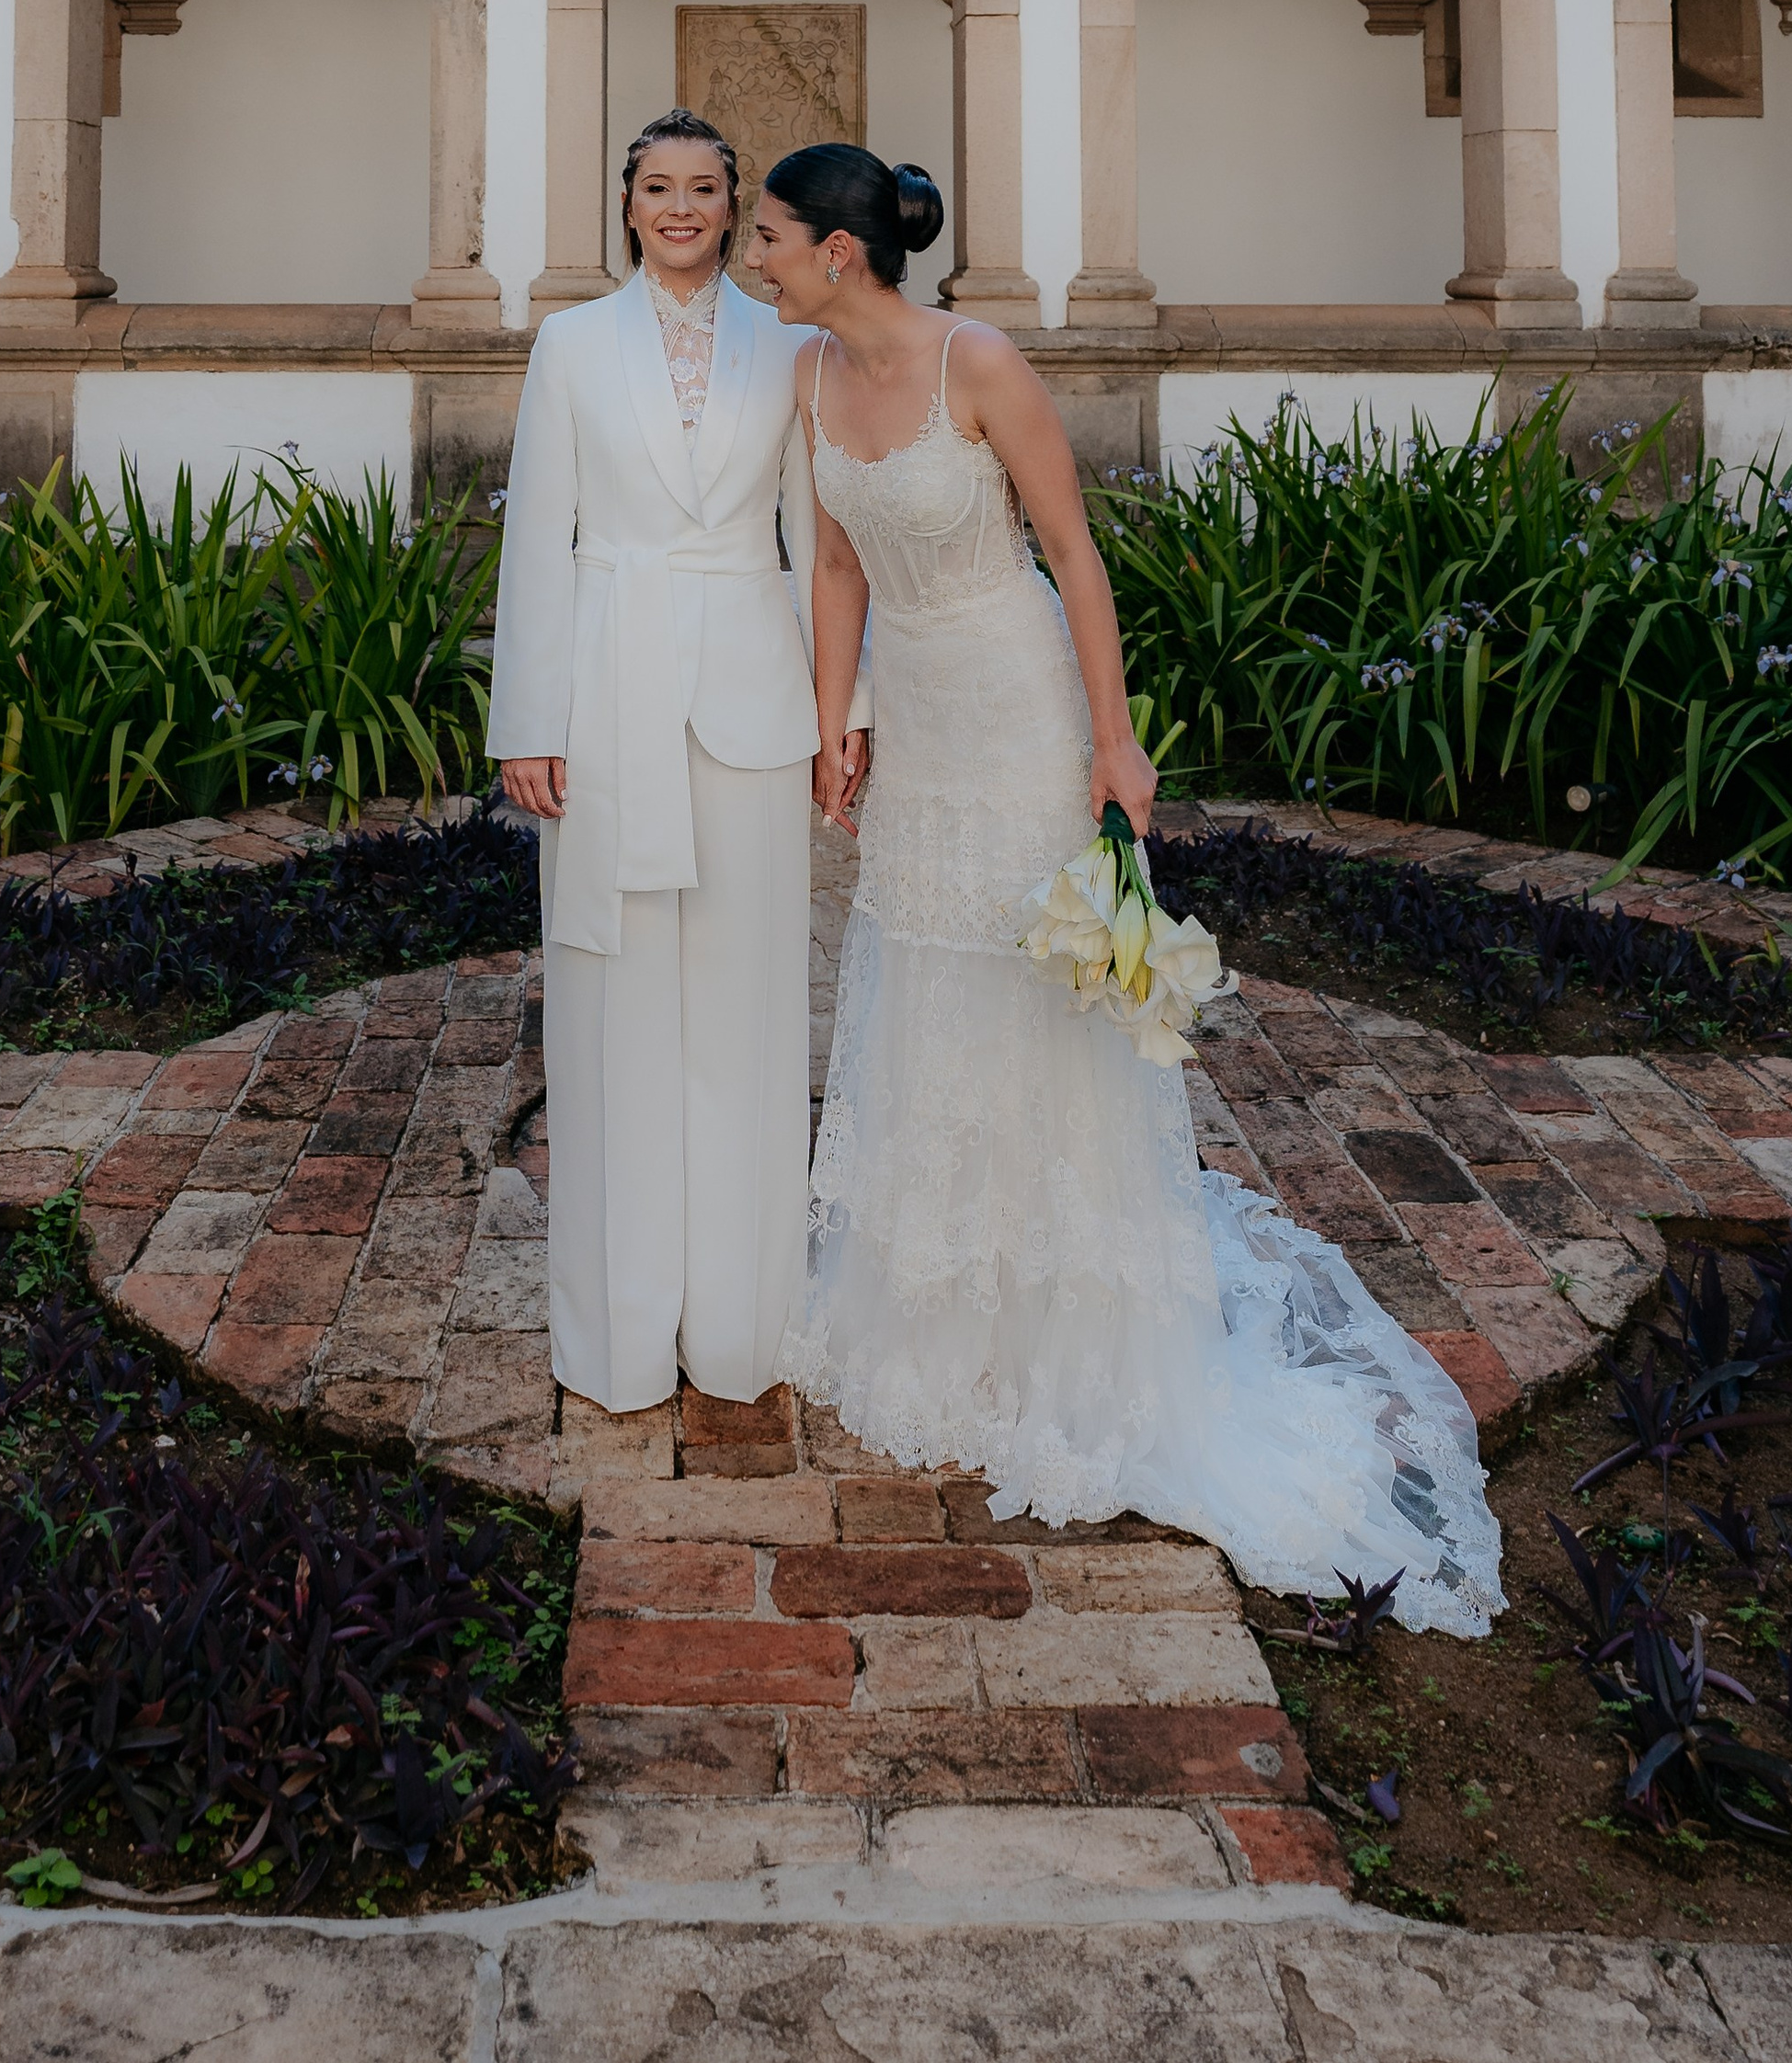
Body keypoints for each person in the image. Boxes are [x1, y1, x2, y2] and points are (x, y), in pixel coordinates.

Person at [754, 142, 1503, 1632]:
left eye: (771, 237)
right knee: (928, 978)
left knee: (1042, 988)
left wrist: (1114, 738)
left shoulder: (983, 363)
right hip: (918, 710)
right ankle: (945, 1311)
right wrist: (835, 722)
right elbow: (834, 568)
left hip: (1022, 707)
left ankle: (1068, 1328)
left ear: (841, 252)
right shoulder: (812, 381)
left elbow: (1077, 557)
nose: (755, 258)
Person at [487, 110, 864, 1417]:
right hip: (607, 693)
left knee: (752, 1009)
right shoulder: (571, 343)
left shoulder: (794, 346)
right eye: (661, 187)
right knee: (615, 1012)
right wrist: (529, 719)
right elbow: (539, 534)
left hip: (756, 704)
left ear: (735, 204)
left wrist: (845, 709)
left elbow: (824, 542)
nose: (686, 208)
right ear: (630, 203)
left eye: (709, 189)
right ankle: (619, 1335)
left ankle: (746, 1326)